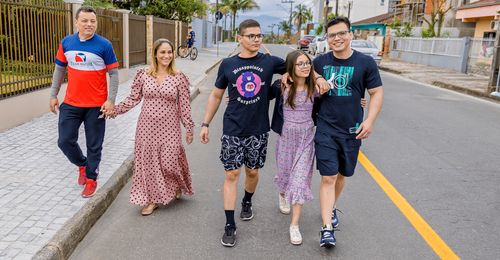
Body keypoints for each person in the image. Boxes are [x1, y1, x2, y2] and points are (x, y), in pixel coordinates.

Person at [199, 19, 287, 247]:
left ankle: (247, 201)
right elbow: (216, 95)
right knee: (231, 175)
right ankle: (230, 224)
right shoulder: (228, 64)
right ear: (240, 38)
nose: (256, 39)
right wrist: (205, 123)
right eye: (251, 36)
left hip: (258, 128)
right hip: (233, 128)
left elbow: (298, 66)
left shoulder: (269, 62)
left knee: (252, 172)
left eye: (259, 36)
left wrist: (292, 76)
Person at [313, 16, 384, 247]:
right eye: (332, 35)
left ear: (351, 34)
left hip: (352, 130)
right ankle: (327, 229)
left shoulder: (365, 63)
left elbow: (376, 93)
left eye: (341, 33)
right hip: (325, 128)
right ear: (327, 38)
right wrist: (316, 77)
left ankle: (331, 207)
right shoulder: (320, 62)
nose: (337, 38)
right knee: (328, 176)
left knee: (343, 174)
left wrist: (370, 120)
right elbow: (299, 71)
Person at [112, 39, 195, 216]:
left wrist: (189, 127)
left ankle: (176, 184)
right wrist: (116, 110)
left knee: (169, 163)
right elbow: (133, 99)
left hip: (169, 127)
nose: (166, 55)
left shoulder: (179, 77)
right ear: (155, 54)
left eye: (169, 52)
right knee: (149, 165)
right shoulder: (143, 75)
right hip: (147, 128)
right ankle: (152, 200)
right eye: (162, 52)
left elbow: (184, 106)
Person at [49, 6, 119, 198]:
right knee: (64, 141)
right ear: (77, 22)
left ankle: (91, 178)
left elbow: (113, 74)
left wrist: (110, 100)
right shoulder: (67, 43)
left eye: (93, 21)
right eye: (85, 21)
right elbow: (59, 70)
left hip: (96, 105)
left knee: (94, 145)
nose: (89, 24)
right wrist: (53, 95)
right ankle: (82, 164)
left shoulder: (104, 45)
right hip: (71, 103)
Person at [271, 50, 318, 245]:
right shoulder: (282, 87)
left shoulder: (315, 88)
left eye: (307, 63)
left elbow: (338, 101)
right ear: (291, 67)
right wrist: (233, 97)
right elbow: (258, 93)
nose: (305, 66)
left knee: (299, 181)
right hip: (286, 138)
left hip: (307, 139)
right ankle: (282, 193)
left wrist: (359, 101)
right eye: (300, 64)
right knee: (285, 176)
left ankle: (294, 225)